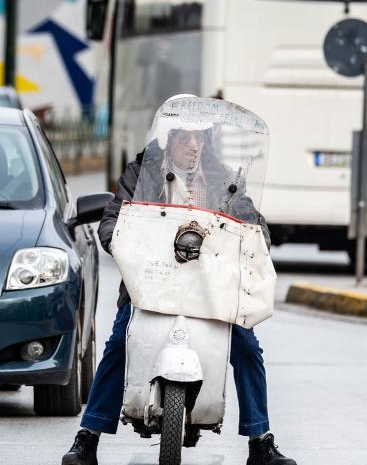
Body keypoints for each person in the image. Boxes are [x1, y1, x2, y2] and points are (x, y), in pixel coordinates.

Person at [61, 95, 297, 465]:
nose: (192, 143)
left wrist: (256, 237)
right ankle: (87, 437)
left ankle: (260, 441)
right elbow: (114, 215)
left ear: (207, 141)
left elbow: (251, 218)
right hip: (153, 286)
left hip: (211, 289)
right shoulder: (143, 172)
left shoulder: (223, 178)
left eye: (199, 137)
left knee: (248, 349)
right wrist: (115, 238)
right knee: (120, 342)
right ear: (170, 138)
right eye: (184, 136)